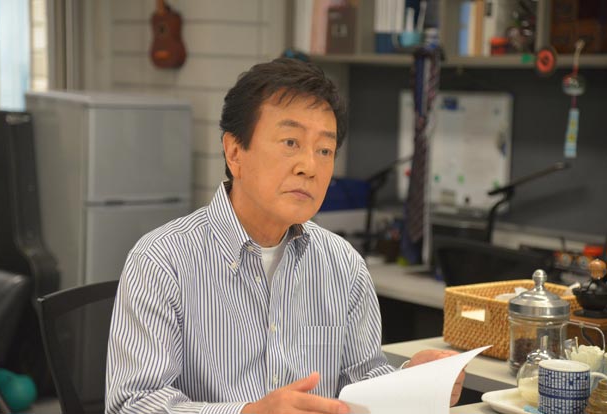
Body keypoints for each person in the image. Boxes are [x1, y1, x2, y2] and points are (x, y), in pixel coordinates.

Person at [105, 57, 464, 414]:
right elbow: (132, 405)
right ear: (235, 152)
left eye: (324, 150)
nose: (309, 166)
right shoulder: (161, 260)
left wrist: (411, 384)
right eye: (290, 142)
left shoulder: (344, 265)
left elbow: (361, 384)